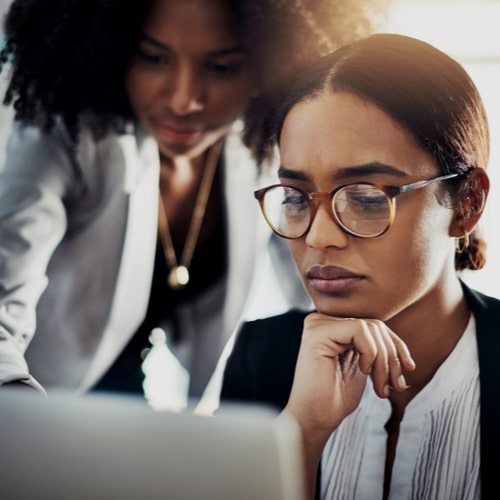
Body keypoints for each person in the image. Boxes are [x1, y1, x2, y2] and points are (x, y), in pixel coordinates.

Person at [0, 0, 385, 409]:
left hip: (130, 389)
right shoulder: (65, 138)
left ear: (270, 63)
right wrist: (18, 413)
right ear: (115, 51)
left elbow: (318, 287)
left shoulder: (263, 152)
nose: (184, 100)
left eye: (220, 68)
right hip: (36, 393)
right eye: (153, 58)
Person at [220, 33, 500, 499]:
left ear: (467, 203)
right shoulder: (261, 358)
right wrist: (301, 437)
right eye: (295, 197)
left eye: (367, 198)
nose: (318, 236)